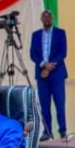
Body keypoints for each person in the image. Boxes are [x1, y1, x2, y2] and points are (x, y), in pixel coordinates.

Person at [30, 10, 68, 140]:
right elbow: (33, 54)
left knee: (60, 103)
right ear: (41, 19)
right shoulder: (35, 35)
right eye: (44, 17)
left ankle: (62, 130)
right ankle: (47, 132)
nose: (47, 19)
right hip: (42, 75)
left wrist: (50, 66)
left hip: (57, 73)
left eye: (49, 17)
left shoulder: (60, 33)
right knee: (44, 104)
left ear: (52, 19)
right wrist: (43, 65)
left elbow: (63, 52)